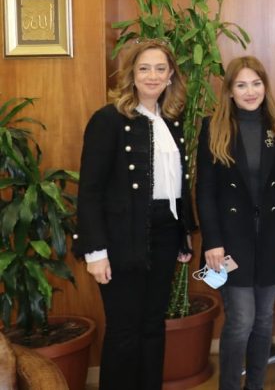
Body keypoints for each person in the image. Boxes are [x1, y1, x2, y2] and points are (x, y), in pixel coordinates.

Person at [75, 38, 196, 389]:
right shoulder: (108, 120)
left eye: (160, 69)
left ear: (171, 75)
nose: (152, 76)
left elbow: (178, 184)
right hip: (122, 238)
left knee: (153, 325)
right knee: (124, 330)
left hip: (165, 233)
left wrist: (183, 234)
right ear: (131, 74)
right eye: (144, 68)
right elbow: (90, 190)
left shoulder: (171, 120)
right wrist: (95, 252)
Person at [196, 56, 275, 390]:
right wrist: (212, 241)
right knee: (242, 319)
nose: (250, 91)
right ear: (229, 90)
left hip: (271, 237)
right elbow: (205, 192)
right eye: (241, 85)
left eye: (256, 83)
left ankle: (255, 385)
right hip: (230, 241)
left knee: (264, 319)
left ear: (265, 87)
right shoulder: (212, 128)